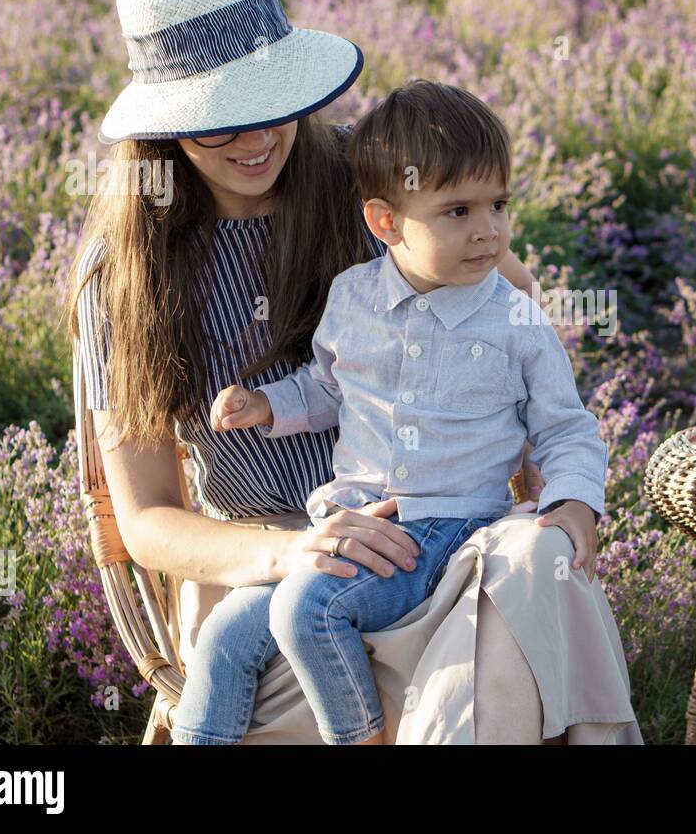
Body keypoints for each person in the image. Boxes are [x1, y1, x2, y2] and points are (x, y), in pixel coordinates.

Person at [66, 0, 641, 743]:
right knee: (477, 671)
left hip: (444, 537)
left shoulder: (371, 185)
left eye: (272, 103)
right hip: (274, 580)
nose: (256, 139)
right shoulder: (125, 271)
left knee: (533, 568)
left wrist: (551, 486)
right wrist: (294, 554)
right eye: (214, 124)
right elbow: (149, 519)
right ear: (164, 128)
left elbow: (513, 312)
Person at [171, 80, 610, 745]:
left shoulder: (513, 318)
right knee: (227, 637)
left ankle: (360, 736)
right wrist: (267, 405)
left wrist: (576, 500)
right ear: (385, 223)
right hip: (353, 522)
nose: (488, 230)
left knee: (305, 611)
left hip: (447, 532)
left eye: (499, 204)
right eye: (457, 211)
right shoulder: (354, 297)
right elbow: (327, 388)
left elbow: (567, 428)